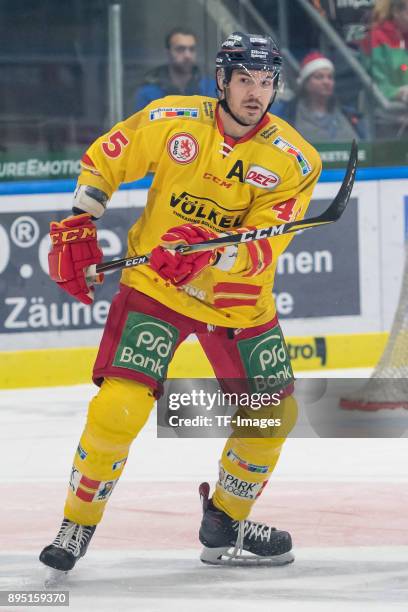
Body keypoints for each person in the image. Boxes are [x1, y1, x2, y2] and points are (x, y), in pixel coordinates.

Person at [39, 32, 322, 575]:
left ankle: (225, 524)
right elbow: (107, 156)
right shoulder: (173, 118)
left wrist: (209, 256)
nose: (255, 93)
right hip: (156, 287)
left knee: (274, 414)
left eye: (265, 83)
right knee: (118, 407)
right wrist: (81, 218)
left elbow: (265, 245)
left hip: (237, 303)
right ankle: (77, 524)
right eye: (244, 80)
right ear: (221, 80)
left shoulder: (296, 160)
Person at [277, 51, 366, 142]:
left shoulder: (349, 115)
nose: (326, 82)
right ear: (306, 83)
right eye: (319, 77)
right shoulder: (287, 113)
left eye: (330, 77)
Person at [134, 27, 215, 111]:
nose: (188, 55)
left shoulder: (210, 88)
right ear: (168, 53)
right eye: (180, 49)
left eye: (192, 49)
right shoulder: (149, 92)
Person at [360, 0, 408, 103]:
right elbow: (379, 83)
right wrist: (401, 93)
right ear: (396, 12)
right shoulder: (376, 37)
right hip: (385, 110)